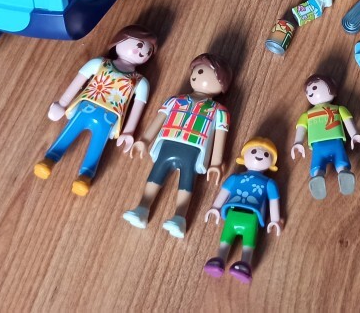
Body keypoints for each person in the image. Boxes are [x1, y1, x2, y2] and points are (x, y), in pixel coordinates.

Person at [33, 26, 156, 196]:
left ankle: (85, 176)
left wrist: (128, 132)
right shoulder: (99, 63)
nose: (141, 51)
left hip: (110, 118)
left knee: (97, 147)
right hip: (86, 107)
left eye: (148, 50)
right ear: (119, 40)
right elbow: (78, 81)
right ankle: (49, 160)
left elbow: (138, 107)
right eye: (139, 45)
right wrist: (62, 103)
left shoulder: (140, 82)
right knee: (68, 133)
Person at [122, 53, 232, 238]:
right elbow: (159, 119)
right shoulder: (175, 100)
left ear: (221, 83)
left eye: (204, 72)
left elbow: (220, 136)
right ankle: (142, 208)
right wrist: (145, 140)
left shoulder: (219, 111)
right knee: (156, 174)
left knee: (187, 181)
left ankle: (180, 217)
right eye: (197, 70)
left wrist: (215, 163)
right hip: (168, 142)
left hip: (194, 148)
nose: (198, 75)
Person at [202, 137, 284, 283]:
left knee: (248, 242)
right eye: (253, 151)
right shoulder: (235, 178)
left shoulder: (269, 183)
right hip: (232, 213)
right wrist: (215, 208)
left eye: (266, 154)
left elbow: (273, 201)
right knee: (226, 238)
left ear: (272, 163)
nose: (259, 156)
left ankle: (245, 265)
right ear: (243, 156)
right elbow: (224, 193)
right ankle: (219, 259)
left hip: (252, 217)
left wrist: (275, 220)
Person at [291, 74, 360, 199]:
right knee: (320, 163)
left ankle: (340, 173)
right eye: (308, 91)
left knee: (331, 162)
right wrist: (297, 142)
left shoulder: (338, 109)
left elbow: (347, 120)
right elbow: (301, 127)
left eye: (314, 88)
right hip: (323, 145)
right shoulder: (307, 115)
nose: (311, 92)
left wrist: (354, 135)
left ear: (331, 87)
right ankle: (319, 177)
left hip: (332, 143)